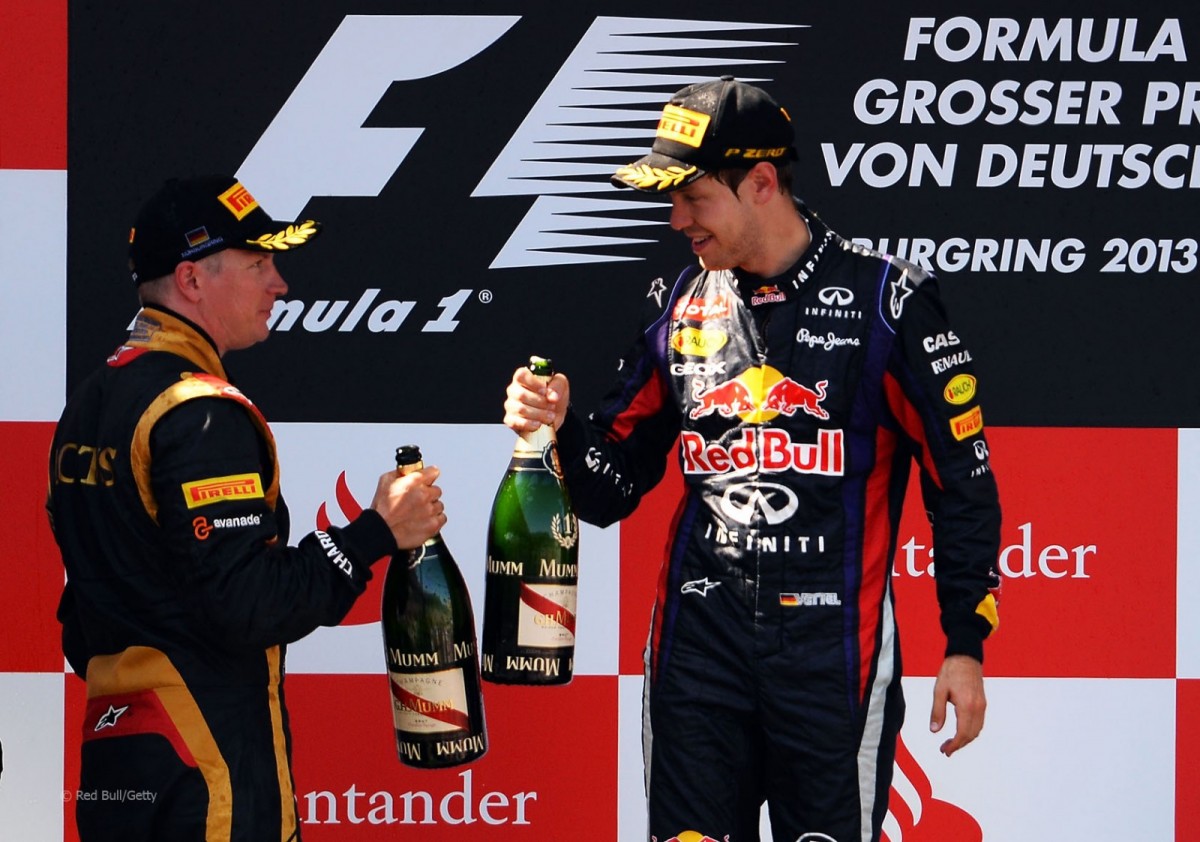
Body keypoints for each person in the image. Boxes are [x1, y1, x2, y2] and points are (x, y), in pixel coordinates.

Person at [502, 77, 1002, 842]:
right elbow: (609, 490)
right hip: (698, 654)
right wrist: (560, 428)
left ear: (762, 183)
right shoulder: (681, 303)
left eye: (693, 197)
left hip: (832, 660)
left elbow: (961, 484)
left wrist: (964, 645)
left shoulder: (887, 302)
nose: (677, 220)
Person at [47, 175, 447, 841]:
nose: (279, 285)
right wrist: (376, 532)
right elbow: (249, 604)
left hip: (119, 764)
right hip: (207, 776)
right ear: (191, 280)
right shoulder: (199, 412)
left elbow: (80, 626)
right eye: (258, 264)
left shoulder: (90, 401)